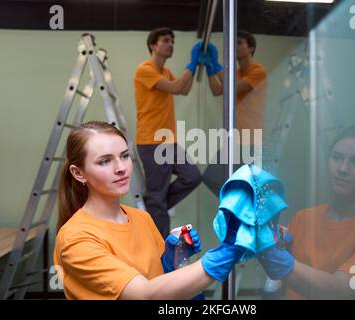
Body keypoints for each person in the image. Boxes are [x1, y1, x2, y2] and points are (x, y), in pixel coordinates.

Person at [53, 121, 243, 300]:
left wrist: (170, 262)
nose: (121, 168)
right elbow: (145, 294)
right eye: (105, 161)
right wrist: (227, 253)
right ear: (78, 173)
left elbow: (161, 283)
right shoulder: (75, 239)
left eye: (125, 156)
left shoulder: (141, 218)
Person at [258, 125, 355, 299]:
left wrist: (275, 257)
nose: (342, 169)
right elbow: (278, 285)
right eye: (336, 157)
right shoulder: (303, 218)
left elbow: (340, 290)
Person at [134, 27, 203, 237]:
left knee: (192, 177)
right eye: (165, 40)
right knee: (157, 198)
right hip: (152, 141)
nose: (171, 44)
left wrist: (197, 65)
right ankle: (162, 251)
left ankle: (156, 205)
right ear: (153, 45)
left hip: (168, 142)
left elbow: (184, 89)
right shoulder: (145, 69)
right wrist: (191, 64)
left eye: (172, 40)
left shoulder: (165, 72)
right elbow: (175, 88)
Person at [202, 31, 268, 196]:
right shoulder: (236, 74)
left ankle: (246, 214)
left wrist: (217, 65)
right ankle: (237, 207)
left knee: (252, 188)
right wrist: (210, 70)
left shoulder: (258, 71)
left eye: (239, 43)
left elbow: (233, 86)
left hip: (252, 139)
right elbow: (218, 89)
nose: (234, 47)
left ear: (251, 48)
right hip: (234, 139)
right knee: (212, 177)